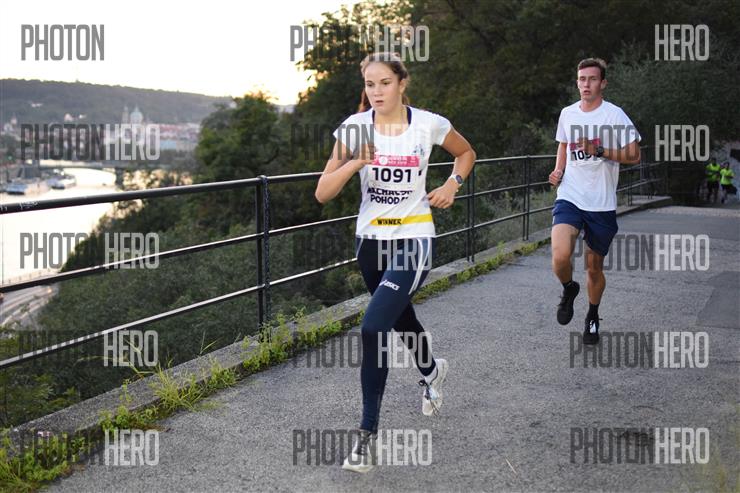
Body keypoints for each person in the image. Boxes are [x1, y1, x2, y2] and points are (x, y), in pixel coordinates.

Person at [314, 51, 476, 473]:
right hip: (370, 242)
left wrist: (452, 184)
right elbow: (323, 192)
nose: (377, 91)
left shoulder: (428, 124)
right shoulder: (354, 128)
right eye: (370, 84)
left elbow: (465, 153)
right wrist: (355, 161)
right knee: (401, 316)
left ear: (402, 84)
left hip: (414, 238)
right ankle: (432, 371)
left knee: (373, 326)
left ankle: (366, 438)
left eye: (385, 83)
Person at [548, 58, 641, 345]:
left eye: (592, 79)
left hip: (601, 204)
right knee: (560, 256)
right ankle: (569, 287)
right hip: (570, 196)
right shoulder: (567, 113)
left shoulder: (614, 115)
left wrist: (600, 151)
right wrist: (559, 170)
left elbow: (634, 155)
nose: (586, 84)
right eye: (581, 79)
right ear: (577, 82)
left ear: (603, 83)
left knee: (593, 268)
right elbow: (563, 145)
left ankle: (592, 316)